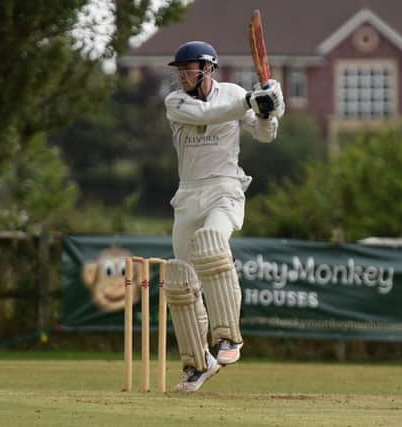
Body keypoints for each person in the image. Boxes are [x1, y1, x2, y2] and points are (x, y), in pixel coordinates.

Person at [162, 40, 285, 392]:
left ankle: (229, 336)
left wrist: (268, 111)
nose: (183, 76)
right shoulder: (176, 102)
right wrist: (251, 101)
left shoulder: (231, 92)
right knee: (180, 280)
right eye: (180, 71)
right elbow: (206, 116)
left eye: (190, 69)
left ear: (208, 68)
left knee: (212, 244)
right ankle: (198, 363)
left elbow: (264, 135)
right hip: (188, 193)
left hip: (225, 188)